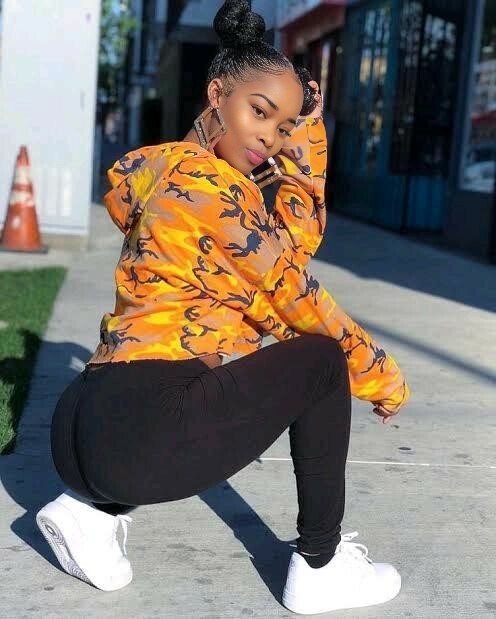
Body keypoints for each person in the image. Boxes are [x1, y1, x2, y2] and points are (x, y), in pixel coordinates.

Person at [36, 0, 410, 614]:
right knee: (322, 361)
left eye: (284, 127)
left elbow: (287, 251)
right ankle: (321, 566)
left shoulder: (170, 173)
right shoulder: (214, 193)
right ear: (217, 95)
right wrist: (381, 376)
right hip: (137, 432)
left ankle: (90, 517)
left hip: (83, 429)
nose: (271, 137)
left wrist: (305, 143)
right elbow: (295, 293)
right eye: (259, 112)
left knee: (234, 367)